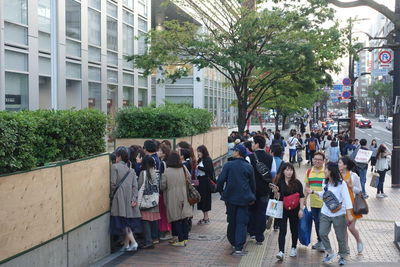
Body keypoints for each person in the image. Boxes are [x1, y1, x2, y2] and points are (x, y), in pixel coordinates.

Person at [306, 162, 354, 266]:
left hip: (339, 213)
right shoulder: (325, 182)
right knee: (322, 232)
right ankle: (330, 252)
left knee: (340, 237)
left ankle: (342, 256)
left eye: (326, 169)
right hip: (325, 212)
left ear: (331, 171)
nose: (324, 171)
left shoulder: (342, 184)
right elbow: (324, 194)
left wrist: (349, 214)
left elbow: (347, 199)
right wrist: (314, 192)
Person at [217, 144, 256, 256]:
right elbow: (253, 185)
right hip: (244, 198)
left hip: (230, 198)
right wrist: (252, 196)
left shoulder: (228, 165)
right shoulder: (248, 167)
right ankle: (238, 247)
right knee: (241, 222)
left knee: (232, 220)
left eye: (234, 150)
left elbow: (220, 180)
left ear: (238, 152)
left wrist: (221, 192)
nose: (232, 151)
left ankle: (233, 241)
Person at [271, 163, 305, 261]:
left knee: (294, 229)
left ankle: (293, 247)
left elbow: (301, 196)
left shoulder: (297, 182)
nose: (289, 172)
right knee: (283, 230)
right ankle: (281, 251)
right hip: (282, 209)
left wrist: (301, 209)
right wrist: (275, 192)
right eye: (287, 170)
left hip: (295, 210)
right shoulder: (279, 182)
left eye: (291, 170)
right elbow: (277, 198)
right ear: (283, 171)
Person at [110, 147, 141, 252]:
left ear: (118, 156)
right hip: (130, 199)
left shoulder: (115, 167)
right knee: (127, 222)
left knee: (122, 223)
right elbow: (135, 186)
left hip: (119, 199)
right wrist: (134, 198)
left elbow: (113, 184)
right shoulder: (131, 170)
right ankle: (127, 245)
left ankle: (134, 242)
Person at [160, 152, 192, 247]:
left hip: (172, 197)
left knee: (176, 218)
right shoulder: (183, 168)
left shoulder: (167, 171)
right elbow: (189, 178)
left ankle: (180, 240)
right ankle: (185, 238)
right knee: (184, 218)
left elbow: (162, 186)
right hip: (184, 195)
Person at [248, 135, 276, 245]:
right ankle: (260, 236)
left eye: (253, 143)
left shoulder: (249, 158)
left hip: (252, 190)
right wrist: (270, 185)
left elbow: (247, 174)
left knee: (251, 211)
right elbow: (273, 174)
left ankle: (252, 232)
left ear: (257, 144)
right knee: (262, 212)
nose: (251, 145)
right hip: (265, 190)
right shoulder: (270, 158)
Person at [338, 156, 364, 254]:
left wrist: (351, 186)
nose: (338, 164)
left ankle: (358, 240)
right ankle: (346, 248)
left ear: (345, 165)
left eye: (340, 163)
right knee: (343, 228)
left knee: (351, 227)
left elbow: (360, 190)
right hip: (341, 206)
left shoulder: (354, 176)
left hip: (352, 206)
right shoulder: (337, 175)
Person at [304, 151, 326, 251]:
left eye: (319, 160)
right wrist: (304, 199)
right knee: (317, 222)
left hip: (324, 203)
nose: (317, 161)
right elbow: (307, 187)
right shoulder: (309, 171)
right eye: (315, 159)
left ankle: (323, 242)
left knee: (322, 222)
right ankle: (320, 241)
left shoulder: (326, 172)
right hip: (313, 203)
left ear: (323, 161)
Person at [138, 155, 161, 249]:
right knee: (154, 220)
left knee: (145, 221)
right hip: (155, 200)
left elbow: (139, 186)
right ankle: (155, 238)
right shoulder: (156, 173)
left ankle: (148, 241)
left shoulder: (143, 173)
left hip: (146, 200)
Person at [196, 145, 215, 225]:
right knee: (201, 199)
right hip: (200, 181)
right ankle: (204, 217)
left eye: (199, 151)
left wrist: (199, 168)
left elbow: (209, 170)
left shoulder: (207, 159)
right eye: (197, 151)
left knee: (205, 199)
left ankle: (206, 218)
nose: (198, 153)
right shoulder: (201, 159)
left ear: (203, 152)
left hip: (205, 182)